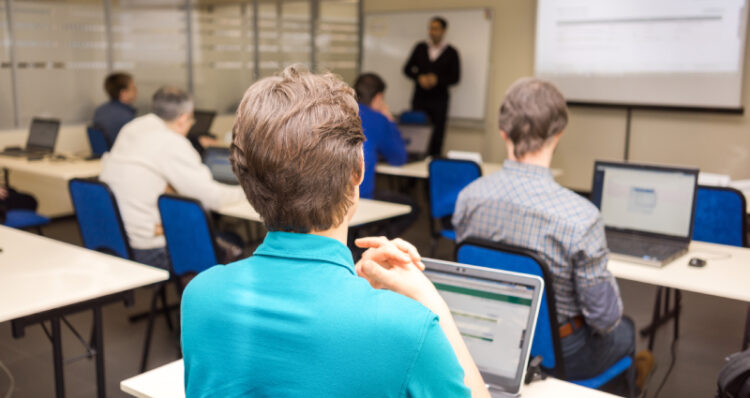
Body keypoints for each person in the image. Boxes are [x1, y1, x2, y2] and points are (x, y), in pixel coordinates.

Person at [181, 65, 490, 397]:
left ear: (246, 180)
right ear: (358, 171)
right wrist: (431, 301)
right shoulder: (408, 329)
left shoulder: (200, 296)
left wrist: (351, 289)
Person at [453, 78, 636, 386]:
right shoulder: (581, 216)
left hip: (489, 339)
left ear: (503, 132)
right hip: (562, 354)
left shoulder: (468, 198)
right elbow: (603, 318)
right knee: (626, 330)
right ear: (558, 134)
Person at [99, 87, 245, 269]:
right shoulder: (171, 142)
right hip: (148, 250)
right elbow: (212, 198)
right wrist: (246, 191)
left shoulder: (133, 128)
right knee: (232, 241)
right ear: (183, 119)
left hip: (118, 241)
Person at [353, 73, 418, 238]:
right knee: (412, 208)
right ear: (378, 97)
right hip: (361, 197)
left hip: (330, 199)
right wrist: (388, 119)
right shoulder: (378, 119)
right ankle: (370, 246)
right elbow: (399, 158)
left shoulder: (339, 112)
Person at [403, 16, 460, 157]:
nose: (432, 32)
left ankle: (430, 175)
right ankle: (412, 177)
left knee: (436, 138)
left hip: (439, 102)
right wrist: (419, 77)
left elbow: (455, 77)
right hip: (420, 99)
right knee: (417, 134)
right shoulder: (420, 48)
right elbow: (407, 69)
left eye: (436, 29)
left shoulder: (452, 52)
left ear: (444, 31)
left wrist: (438, 80)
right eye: (430, 28)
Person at [92, 72, 138, 144]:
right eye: (133, 87)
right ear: (123, 93)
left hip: (105, 154)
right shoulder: (126, 117)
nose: (136, 90)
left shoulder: (99, 110)